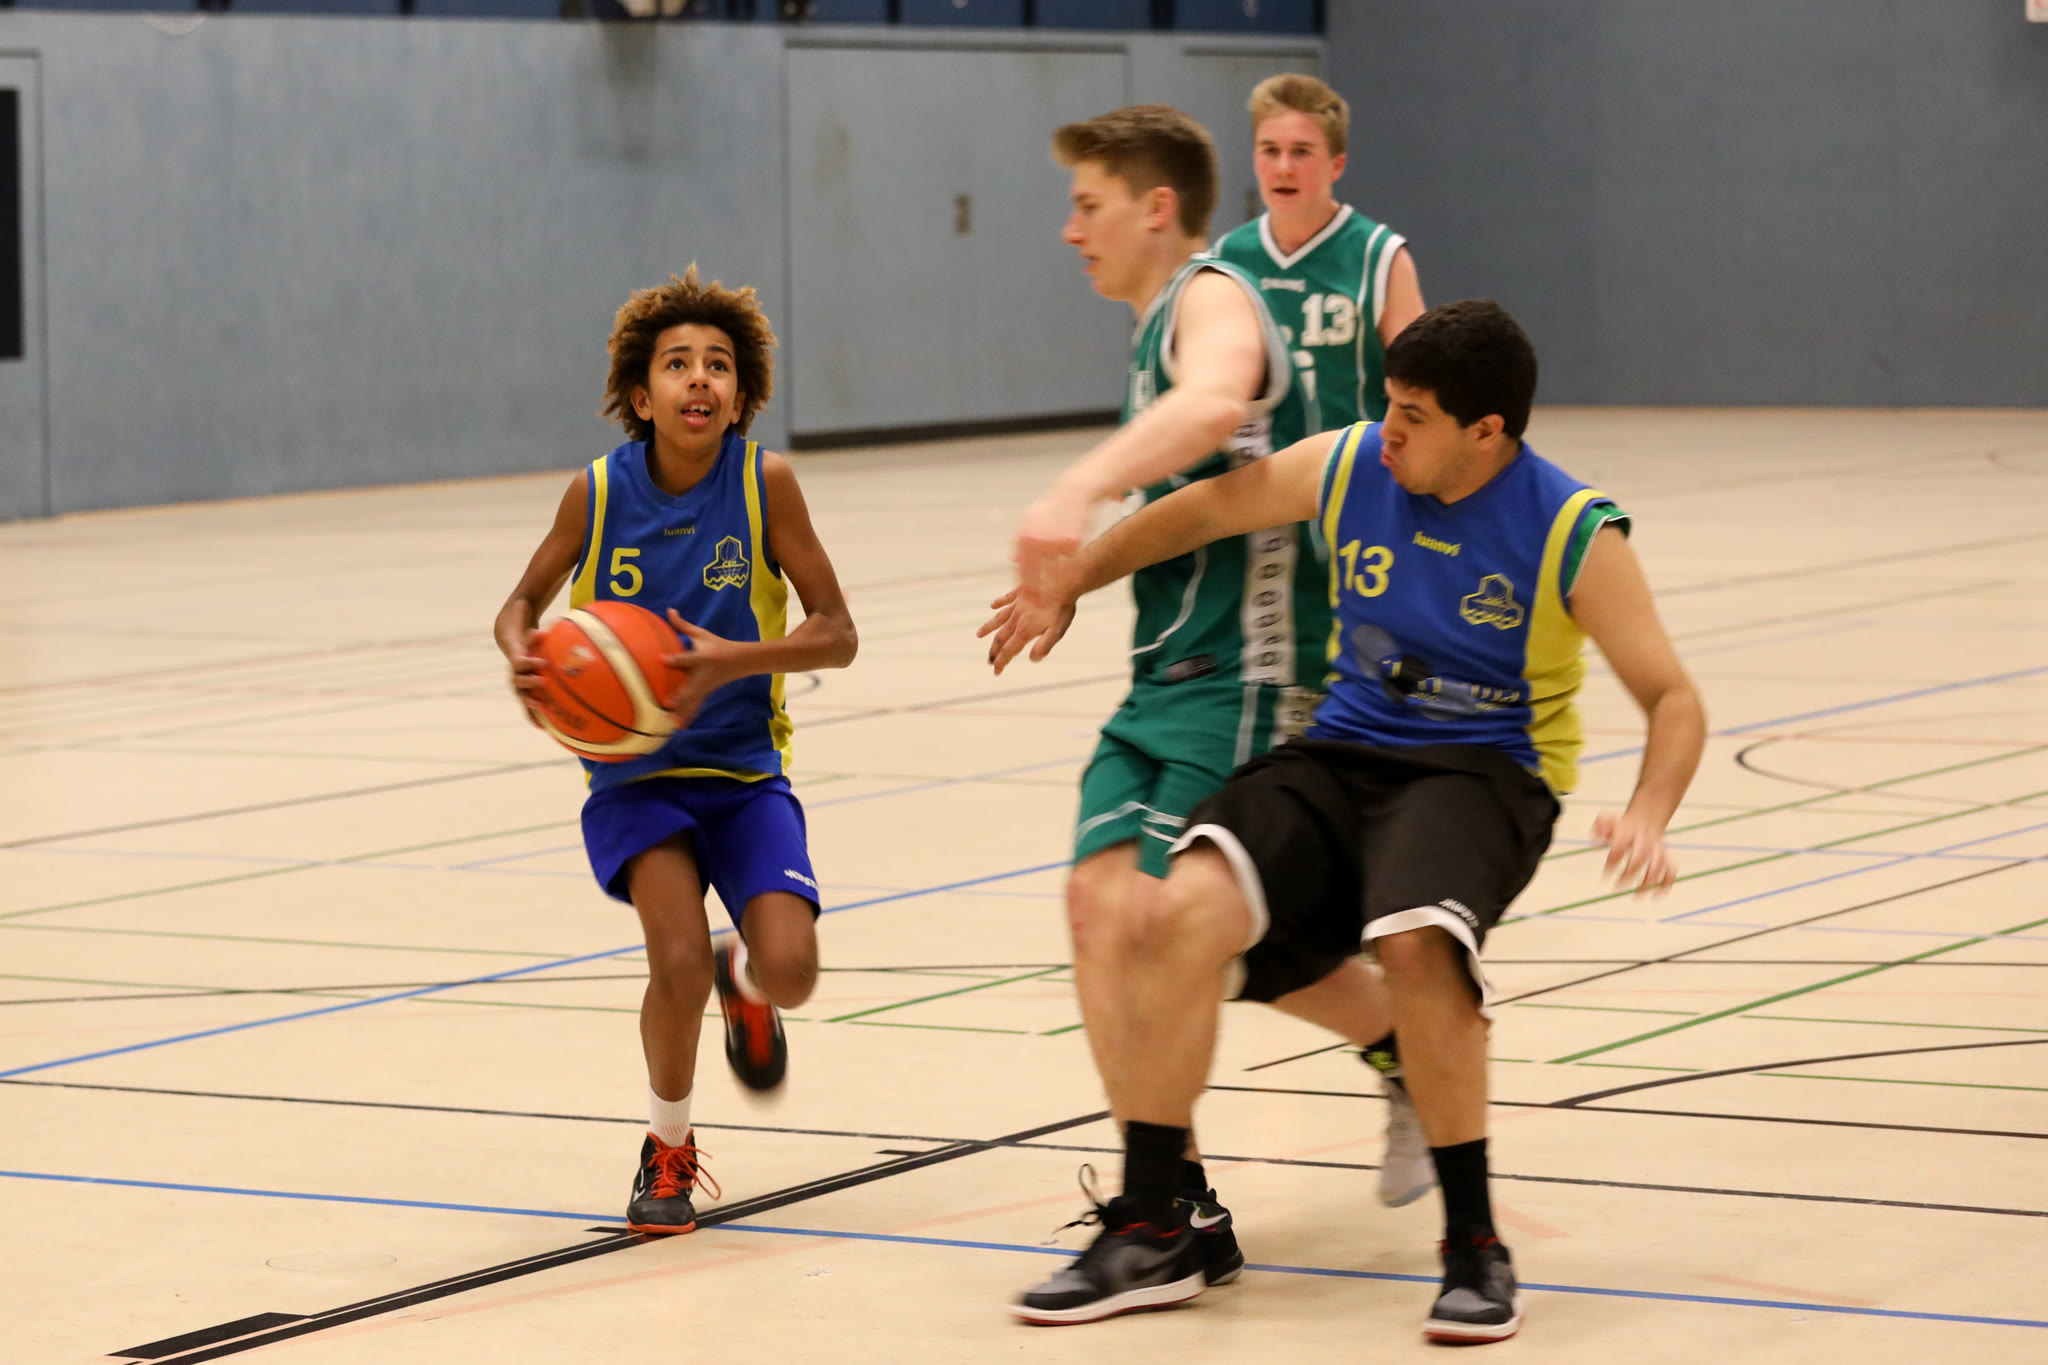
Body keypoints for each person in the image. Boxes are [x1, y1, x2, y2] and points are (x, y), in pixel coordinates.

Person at [1000, 299, 1705, 1339]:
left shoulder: (1570, 528)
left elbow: (1673, 697)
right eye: (1389, 406)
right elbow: (1201, 511)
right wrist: (1072, 577)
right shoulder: (1351, 463)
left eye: (1414, 416)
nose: (1390, 433)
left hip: (1484, 771)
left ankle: (1474, 1247)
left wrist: (1648, 809)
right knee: (1175, 909)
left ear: (1486, 432)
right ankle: (1154, 1226)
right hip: (1343, 752)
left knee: (1417, 945)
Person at [985, 103, 1423, 1305]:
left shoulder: (1211, 294)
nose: (1069, 229)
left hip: (1250, 678)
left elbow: (1219, 400)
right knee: (1101, 911)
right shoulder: (1153, 326)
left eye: (1086, 204)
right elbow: (1184, 496)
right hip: (1163, 677)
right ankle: (1199, 1193)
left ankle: (1158, 1217)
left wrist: (1073, 490)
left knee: (1166, 931)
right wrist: (1076, 575)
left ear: (1155, 207)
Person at [493, 267, 858, 1235]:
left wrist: (736, 659)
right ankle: (668, 1145)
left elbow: (838, 633)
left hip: (742, 771)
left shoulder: (765, 483)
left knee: (793, 971)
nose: (700, 378)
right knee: (677, 958)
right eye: (678, 364)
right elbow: (518, 604)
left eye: (719, 365)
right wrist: (523, 654)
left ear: (741, 396)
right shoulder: (596, 492)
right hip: (633, 775)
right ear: (640, 393)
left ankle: (752, 982)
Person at [1216, 73, 1424, 432]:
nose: (1283, 168)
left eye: (1301, 152)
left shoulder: (1380, 256)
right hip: (1261, 461)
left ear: (1336, 165)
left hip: (1353, 458)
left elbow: (1422, 385)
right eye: (1270, 150)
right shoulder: (1228, 256)